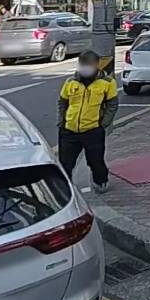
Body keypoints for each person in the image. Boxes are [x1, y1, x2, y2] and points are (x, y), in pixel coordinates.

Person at [58, 50, 118, 193]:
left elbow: (112, 104)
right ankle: (65, 189)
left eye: (89, 64)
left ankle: (101, 182)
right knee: (65, 163)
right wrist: (62, 122)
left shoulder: (107, 83)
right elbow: (62, 102)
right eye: (83, 64)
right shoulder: (71, 82)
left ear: (97, 65)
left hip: (93, 130)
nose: (85, 67)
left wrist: (103, 123)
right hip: (69, 130)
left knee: (95, 161)